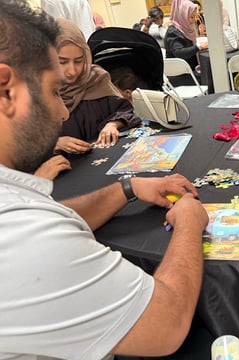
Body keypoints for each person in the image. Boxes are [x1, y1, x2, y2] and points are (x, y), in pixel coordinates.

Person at [0, 1, 209, 358]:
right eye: (53, 90)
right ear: (6, 91)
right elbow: (168, 323)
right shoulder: (24, 237)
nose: (65, 110)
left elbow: (48, 215)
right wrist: (190, 223)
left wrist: (127, 187)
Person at [55, 18, 141, 154]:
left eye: (78, 61)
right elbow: (22, 144)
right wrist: (55, 143)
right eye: (62, 62)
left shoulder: (96, 78)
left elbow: (125, 111)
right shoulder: (35, 88)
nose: (72, 70)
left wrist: (112, 124)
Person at [165, 0, 208, 73]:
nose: (194, 20)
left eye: (195, 17)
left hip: (191, 69)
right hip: (181, 74)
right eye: (191, 17)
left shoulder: (185, 28)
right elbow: (179, 53)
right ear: (182, 15)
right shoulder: (173, 31)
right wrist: (198, 47)